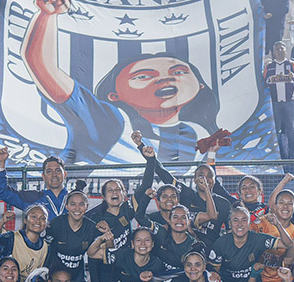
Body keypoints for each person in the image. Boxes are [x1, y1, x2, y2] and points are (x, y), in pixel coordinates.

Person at [22, 0, 220, 164]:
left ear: (200, 85)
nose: (165, 78)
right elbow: (42, 65)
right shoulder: (110, 120)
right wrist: (47, 16)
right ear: (114, 95)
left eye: (178, 71)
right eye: (143, 76)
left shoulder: (191, 133)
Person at [43, 191, 102, 282]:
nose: (77, 208)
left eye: (81, 204)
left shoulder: (92, 228)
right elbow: (44, 251)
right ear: (67, 206)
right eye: (73, 204)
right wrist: (45, 277)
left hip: (78, 279)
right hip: (57, 281)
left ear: (86, 206)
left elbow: (97, 256)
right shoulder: (56, 224)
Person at [0, 149, 69, 217]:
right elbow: (2, 192)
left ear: (65, 174)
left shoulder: (74, 198)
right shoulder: (32, 198)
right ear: (43, 176)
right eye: (49, 171)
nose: (54, 175)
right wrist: (1, 163)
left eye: (58, 170)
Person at [264, 41, 294, 159]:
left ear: (286, 51)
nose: (280, 51)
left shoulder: (292, 64)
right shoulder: (269, 67)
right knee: (276, 128)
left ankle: (293, 153)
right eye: (277, 49)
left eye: (282, 49)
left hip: (289, 101)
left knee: (291, 127)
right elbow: (263, 81)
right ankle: (277, 154)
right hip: (275, 102)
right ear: (273, 52)